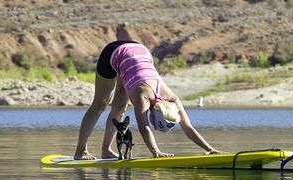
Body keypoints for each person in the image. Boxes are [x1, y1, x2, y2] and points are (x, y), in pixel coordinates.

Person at [74, 40, 221, 160]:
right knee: (100, 104)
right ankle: (81, 151)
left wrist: (210, 149)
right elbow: (144, 128)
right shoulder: (142, 96)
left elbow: (188, 127)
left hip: (140, 51)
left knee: (119, 108)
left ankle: (106, 151)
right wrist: (155, 151)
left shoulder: (173, 100)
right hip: (113, 53)